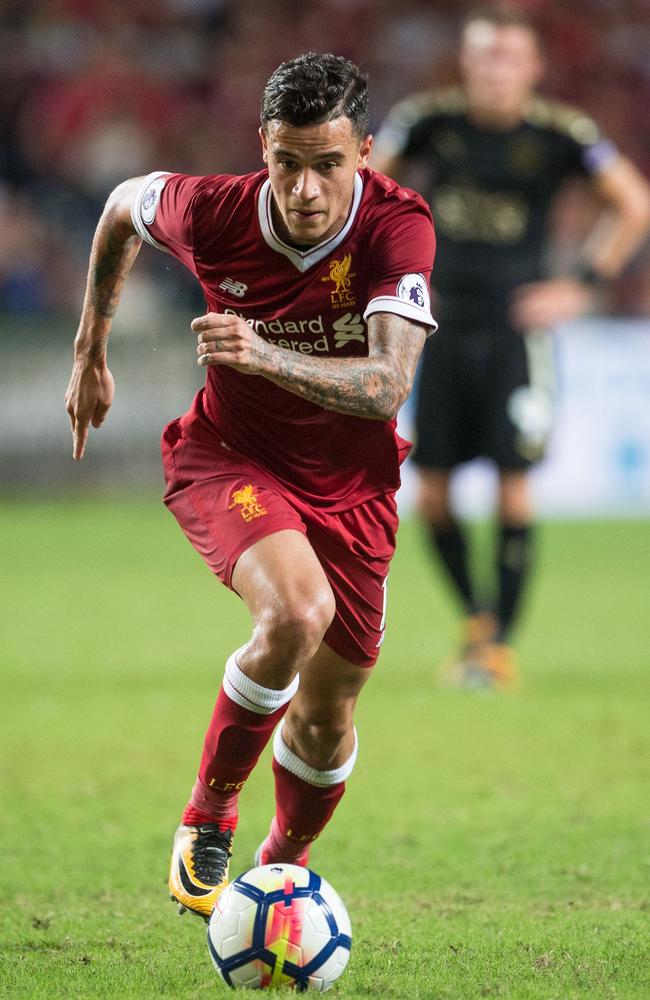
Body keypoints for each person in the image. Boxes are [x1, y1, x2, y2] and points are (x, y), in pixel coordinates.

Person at [65, 53, 436, 921]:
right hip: (231, 456)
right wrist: (91, 347)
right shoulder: (213, 212)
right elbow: (124, 205)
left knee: (329, 713)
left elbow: (385, 386)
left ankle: (280, 870)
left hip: (354, 488)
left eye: (329, 164)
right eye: (288, 163)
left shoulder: (397, 228)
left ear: (366, 154)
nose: (307, 188)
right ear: (262, 149)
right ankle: (208, 815)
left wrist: (262, 350)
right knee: (295, 614)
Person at [372, 4, 650, 688]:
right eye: (483, 57)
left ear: (533, 68)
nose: (494, 70)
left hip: (517, 331)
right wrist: (397, 274)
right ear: (465, 65)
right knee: (431, 493)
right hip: (436, 327)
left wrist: (581, 286)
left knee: (513, 486)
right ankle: (477, 619)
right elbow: (366, 188)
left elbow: (634, 203)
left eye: (507, 58)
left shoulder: (560, 135)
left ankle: (496, 644)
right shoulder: (426, 122)